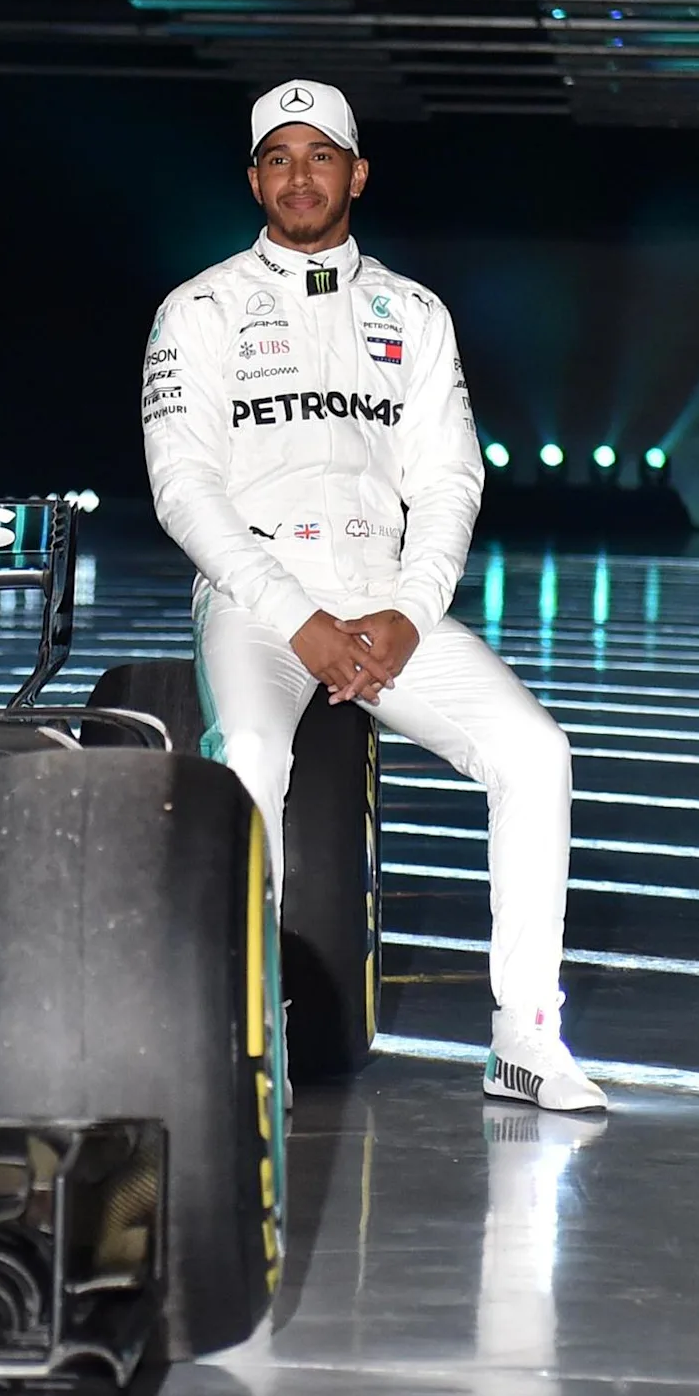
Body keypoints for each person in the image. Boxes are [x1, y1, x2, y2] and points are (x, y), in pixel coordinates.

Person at [141, 79, 604, 1113]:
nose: (297, 176)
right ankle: (240, 1036)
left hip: (387, 603)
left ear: (356, 172)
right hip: (257, 605)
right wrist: (295, 620)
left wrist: (406, 608)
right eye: (276, 157)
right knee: (252, 756)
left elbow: (448, 481)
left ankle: (524, 1035)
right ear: (253, 177)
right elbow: (181, 489)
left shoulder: (413, 314)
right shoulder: (198, 309)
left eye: (319, 156)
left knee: (534, 753)